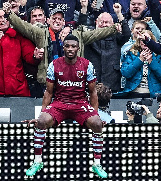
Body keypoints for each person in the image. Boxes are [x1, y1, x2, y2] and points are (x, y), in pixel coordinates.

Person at [23, 34, 108, 178]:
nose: (70, 49)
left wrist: (96, 114)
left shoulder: (87, 65)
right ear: (63, 48)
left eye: (73, 46)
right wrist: (41, 115)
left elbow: (93, 92)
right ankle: (37, 161)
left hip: (80, 103)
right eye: (67, 46)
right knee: (42, 122)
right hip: (60, 103)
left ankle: (97, 164)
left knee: (97, 123)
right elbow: (49, 92)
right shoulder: (54, 64)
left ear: (78, 48)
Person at [3, 2, 118, 84]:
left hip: (71, 82)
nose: (57, 21)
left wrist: (113, 29)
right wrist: (9, 14)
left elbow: (96, 34)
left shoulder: (77, 35)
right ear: (48, 20)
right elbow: (24, 26)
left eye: (60, 19)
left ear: (64, 22)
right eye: (54, 18)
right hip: (49, 81)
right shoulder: (40, 33)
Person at [0, 9, 44, 98]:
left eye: (5, 17)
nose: (3, 20)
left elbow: (29, 55)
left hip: (17, 88)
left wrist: (35, 56)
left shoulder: (18, 35)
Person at [82, 3, 131, 93]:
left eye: (107, 22)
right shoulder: (89, 37)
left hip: (112, 82)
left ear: (112, 24)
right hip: (92, 83)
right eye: (101, 22)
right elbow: (80, 29)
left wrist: (119, 14)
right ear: (96, 22)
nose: (104, 25)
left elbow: (127, 34)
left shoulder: (117, 37)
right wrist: (84, 8)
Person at [115, 30, 161, 98]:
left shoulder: (159, 56)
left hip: (154, 94)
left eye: (147, 40)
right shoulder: (131, 54)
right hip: (133, 93)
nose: (145, 43)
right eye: (143, 40)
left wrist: (151, 61)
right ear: (139, 42)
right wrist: (139, 60)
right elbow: (125, 73)